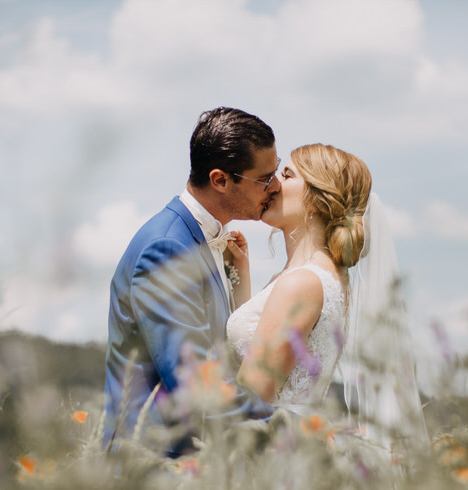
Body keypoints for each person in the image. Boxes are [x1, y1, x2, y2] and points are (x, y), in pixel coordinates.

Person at [226, 143, 428, 449]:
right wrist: (242, 274)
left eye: (287, 174)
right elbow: (259, 349)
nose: (273, 183)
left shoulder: (302, 284)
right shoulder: (316, 277)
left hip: (271, 456)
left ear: (316, 200)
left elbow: (251, 395)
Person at [103, 107, 279, 456]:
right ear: (220, 180)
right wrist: (287, 428)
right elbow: (194, 381)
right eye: (264, 178)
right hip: (153, 468)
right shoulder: (167, 247)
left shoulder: (205, 240)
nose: (274, 188)